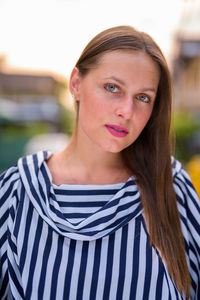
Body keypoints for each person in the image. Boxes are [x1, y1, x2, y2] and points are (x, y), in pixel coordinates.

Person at [0, 25, 199, 300]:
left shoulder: (173, 187)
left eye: (143, 97)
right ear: (76, 84)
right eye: (112, 88)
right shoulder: (14, 192)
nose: (126, 111)